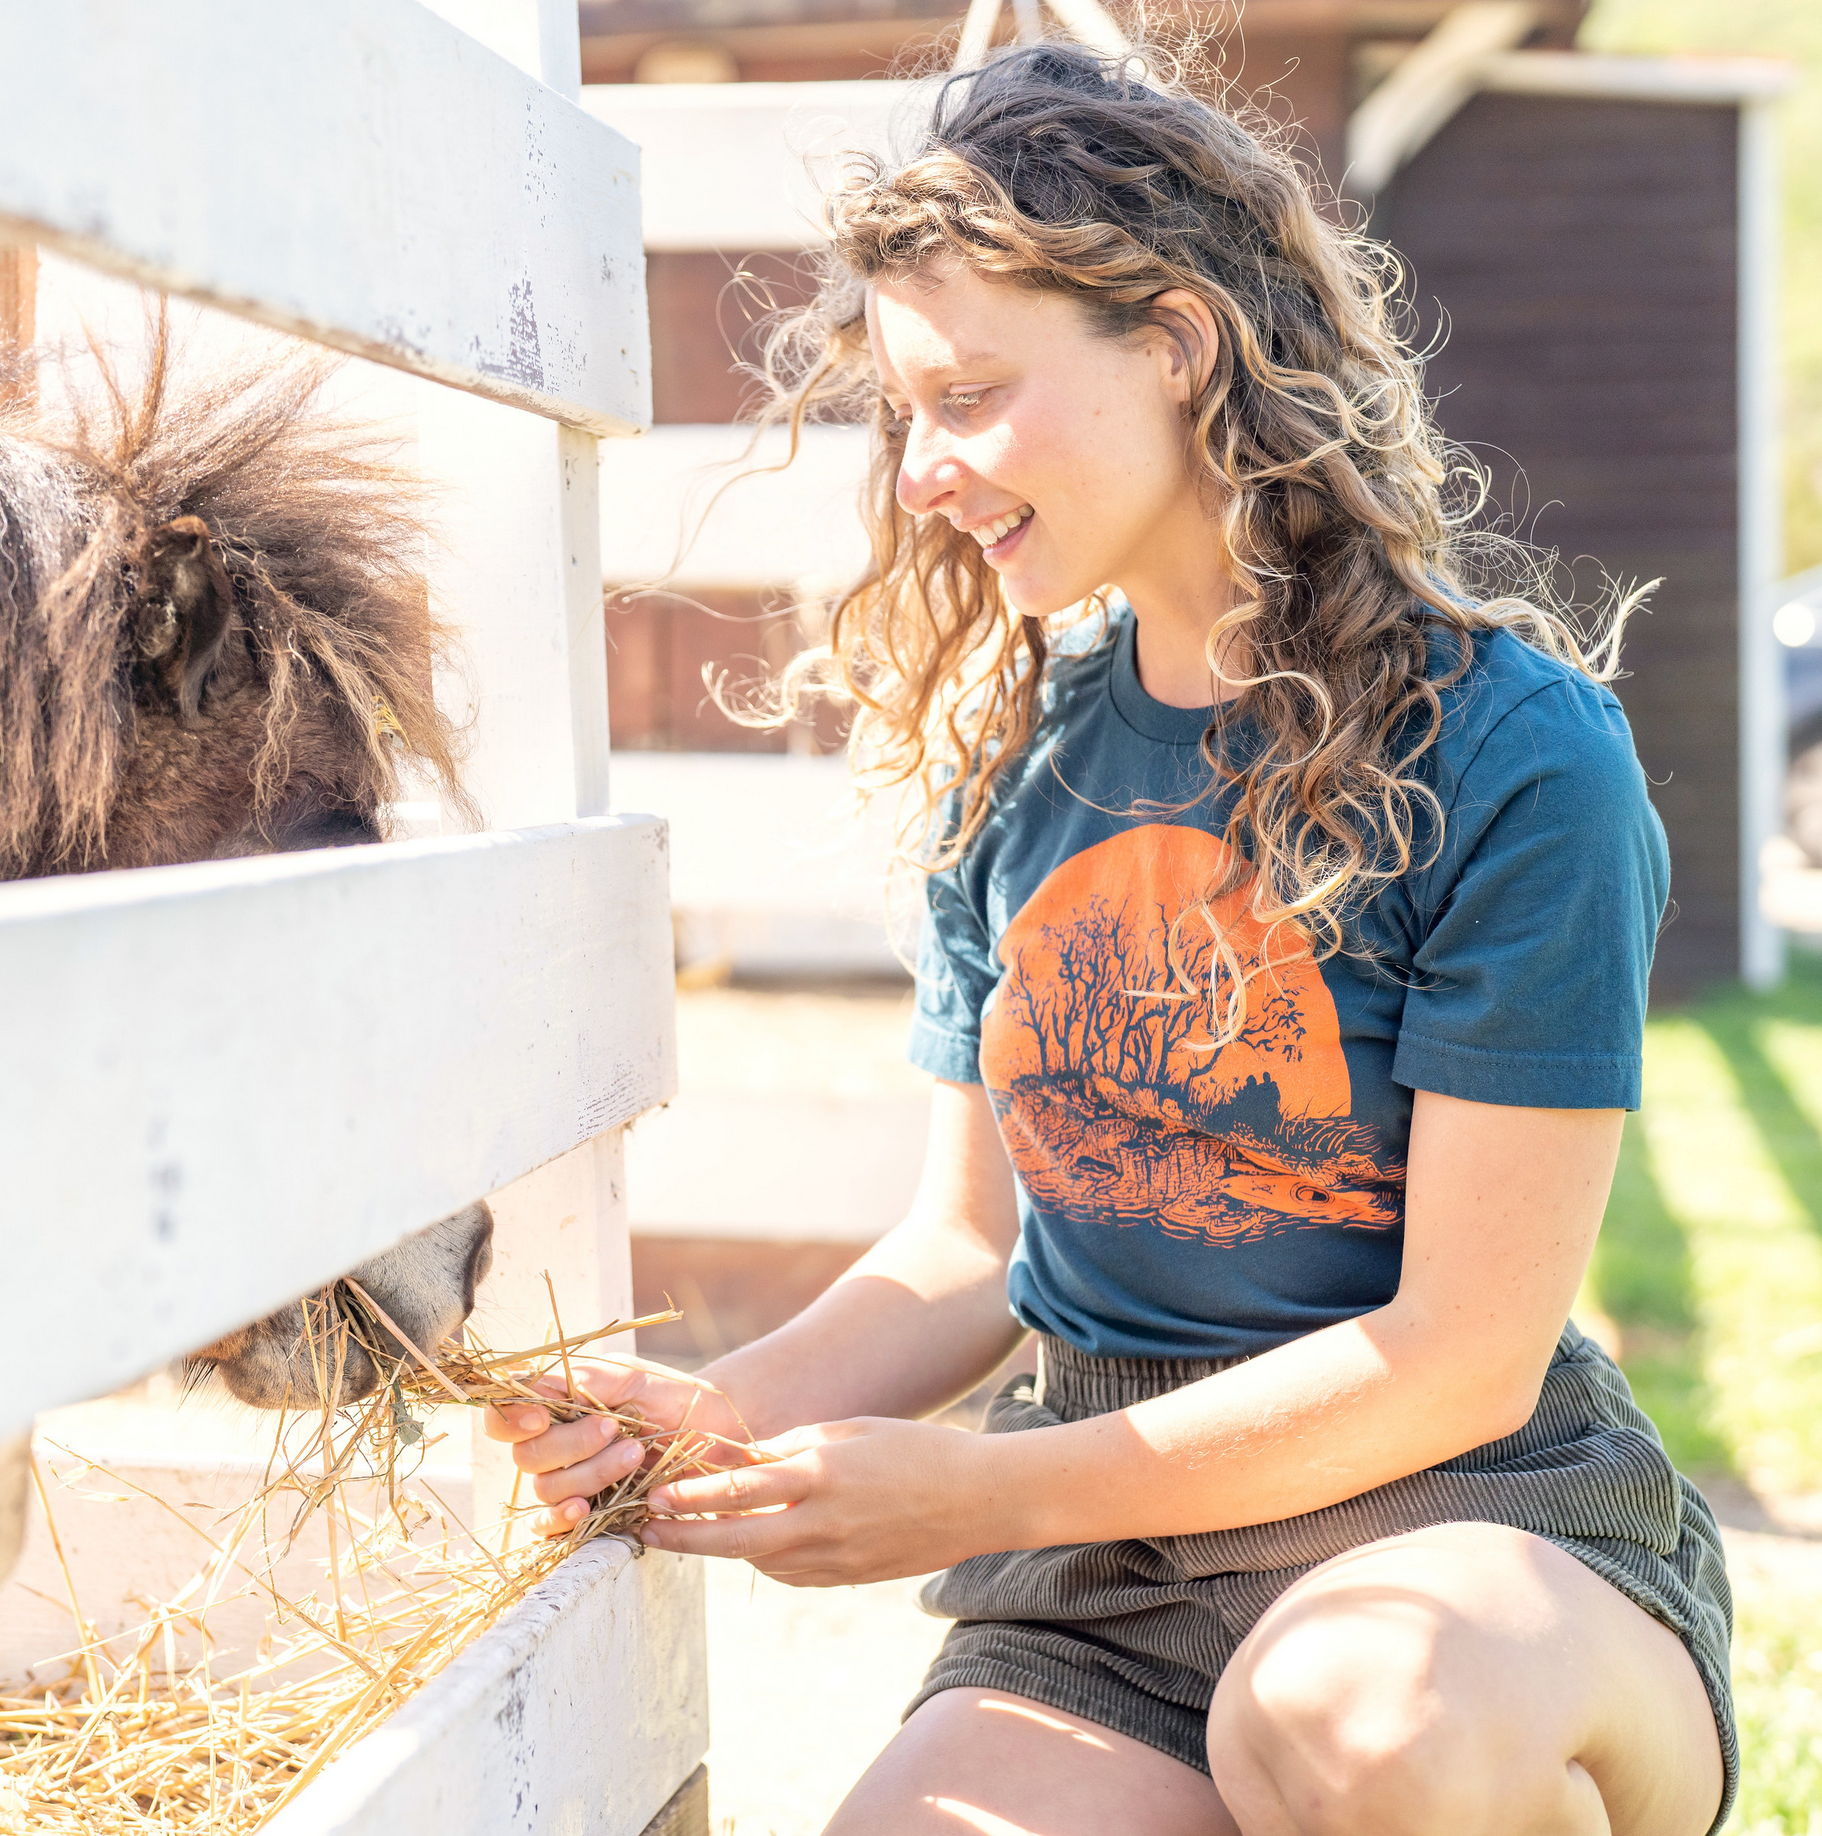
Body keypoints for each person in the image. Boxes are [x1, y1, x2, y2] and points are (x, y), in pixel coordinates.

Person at [486, 44, 1734, 1836]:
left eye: (973, 394)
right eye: (903, 413)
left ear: (1177, 342)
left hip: (1465, 1533)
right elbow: (969, 1246)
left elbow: (1460, 1353)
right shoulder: (1021, 761)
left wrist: (974, 1497)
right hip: (1119, 1579)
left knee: (1353, 1718)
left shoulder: (1511, 753)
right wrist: (712, 1414)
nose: (920, 473)